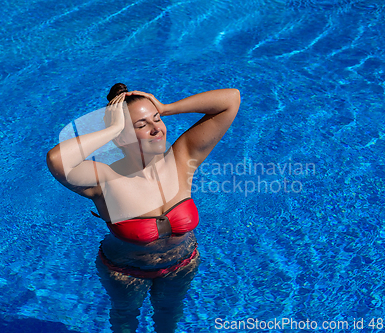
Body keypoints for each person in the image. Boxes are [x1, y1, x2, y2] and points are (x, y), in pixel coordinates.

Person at [46, 83, 240, 332]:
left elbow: (230, 99)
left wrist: (167, 107)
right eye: (141, 125)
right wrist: (114, 127)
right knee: (126, 317)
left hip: (182, 263)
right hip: (126, 272)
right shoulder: (105, 179)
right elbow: (56, 160)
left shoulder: (182, 158)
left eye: (156, 119)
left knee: (169, 316)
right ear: (121, 137)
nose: (156, 129)